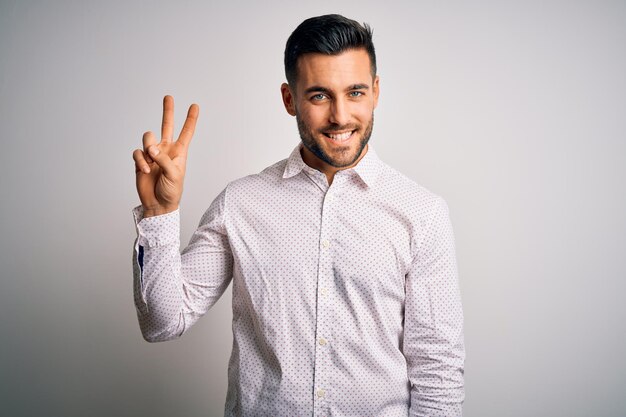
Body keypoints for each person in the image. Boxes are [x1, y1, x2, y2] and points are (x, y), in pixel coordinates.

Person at [131, 14, 464, 416]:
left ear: (375, 91)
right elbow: (163, 322)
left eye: (355, 92)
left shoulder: (421, 213)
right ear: (289, 100)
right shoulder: (240, 204)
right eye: (320, 96)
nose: (340, 116)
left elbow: (437, 374)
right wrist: (159, 211)